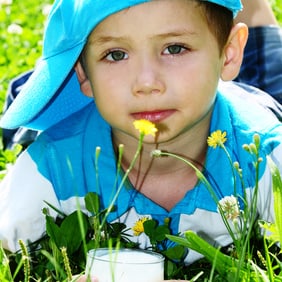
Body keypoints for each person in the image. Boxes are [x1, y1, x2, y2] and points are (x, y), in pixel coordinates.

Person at [0, 0, 281, 280]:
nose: (146, 83)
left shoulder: (266, 155)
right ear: (83, 73)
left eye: (174, 48)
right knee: (28, 128)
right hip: (99, 110)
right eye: (116, 54)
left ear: (229, 53)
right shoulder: (52, 163)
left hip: (247, 100)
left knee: (269, 67)